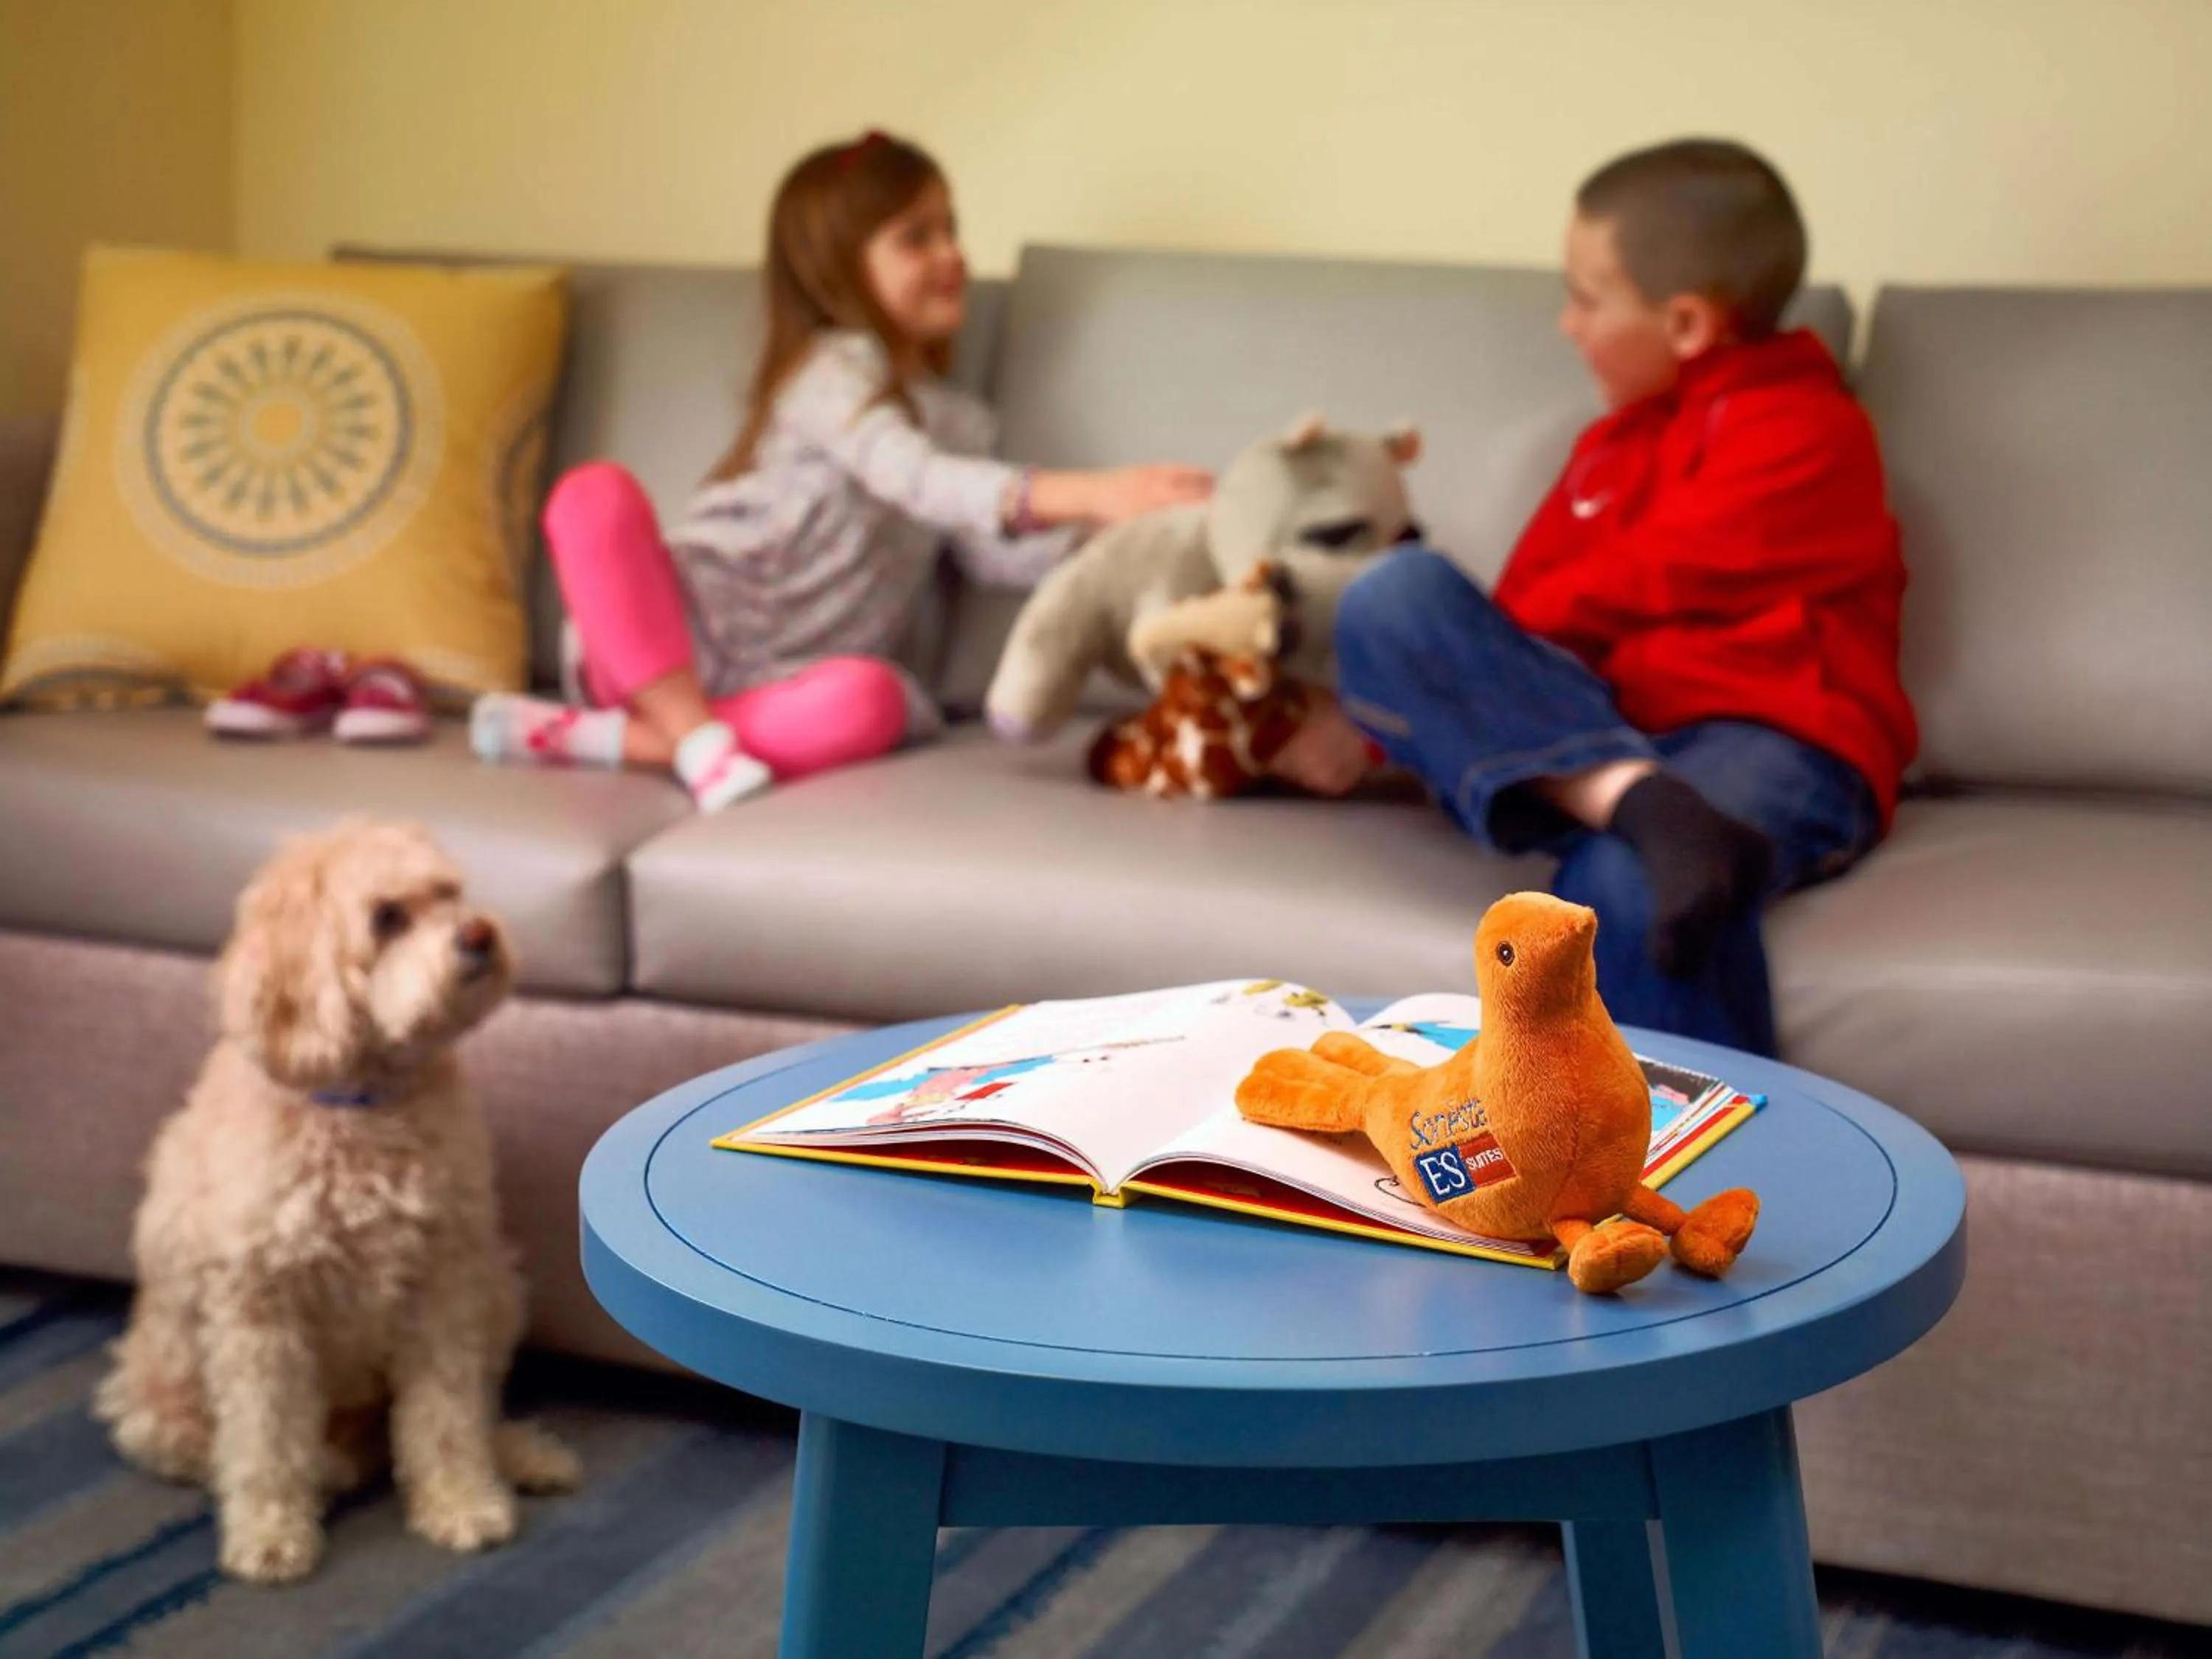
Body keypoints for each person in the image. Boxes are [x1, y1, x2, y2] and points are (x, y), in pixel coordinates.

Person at [1275, 138, 1917, 1057]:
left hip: (1771, 738)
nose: (1566, 324)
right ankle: (1642, 801)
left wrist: (1430, 697)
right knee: (1393, 593)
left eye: (1585, 298)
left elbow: (1640, 578)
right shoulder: (1606, 450)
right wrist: (1387, 710)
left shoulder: (1811, 429)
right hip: (1609, 735)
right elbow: (1523, 617)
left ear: (1689, 322)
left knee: (1627, 890)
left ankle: (1695, 1176)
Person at [472, 129, 1211, 810]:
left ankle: (633, 743)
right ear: (838, 270)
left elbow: (990, 553)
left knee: (877, 701)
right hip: (667, 641)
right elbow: (913, 477)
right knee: (591, 495)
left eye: (952, 229)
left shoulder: (965, 421)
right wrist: (1097, 489)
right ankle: (683, 735)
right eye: (916, 238)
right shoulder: (829, 369)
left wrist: (1125, 540)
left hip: (791, 683)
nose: (951, 254)